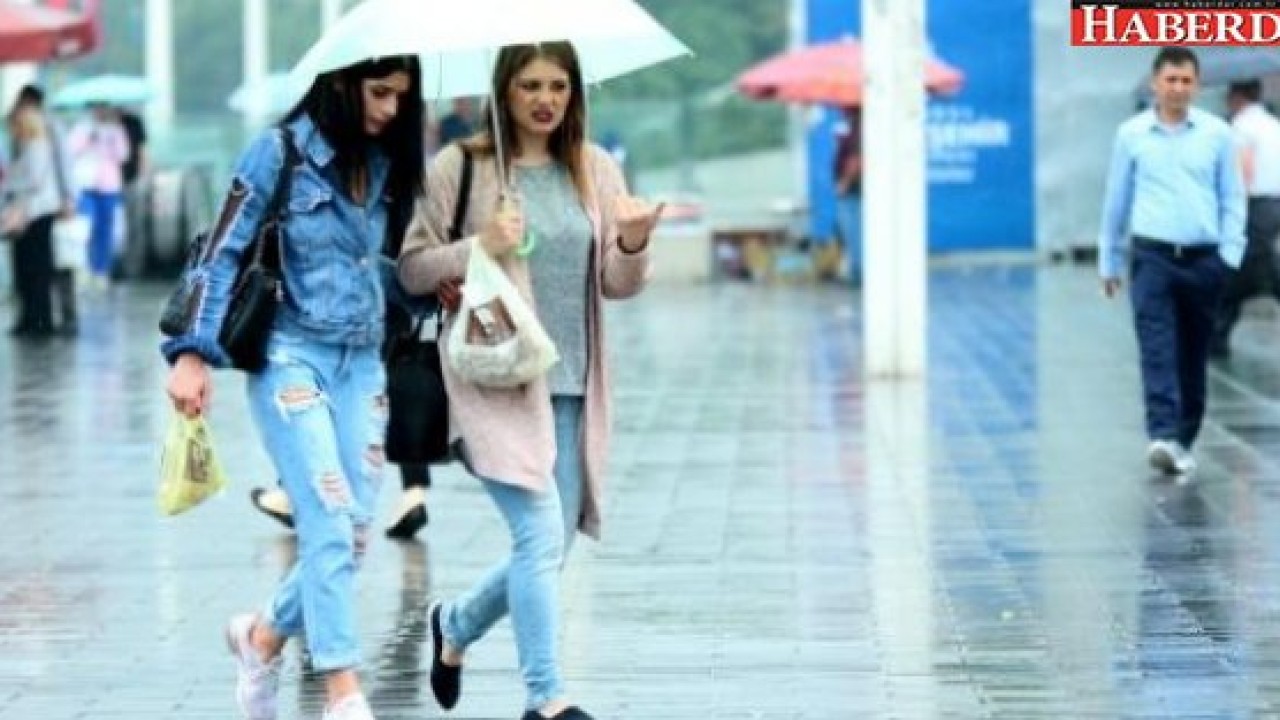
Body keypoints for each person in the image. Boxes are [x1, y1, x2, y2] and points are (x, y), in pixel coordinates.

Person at [398, 42, 662, 720]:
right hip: (492, 383)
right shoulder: (461, 166)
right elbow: (413, 268)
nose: (546, 100)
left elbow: (616, 284)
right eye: (530, 86)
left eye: (558, 86)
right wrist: (479, 246)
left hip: (571, 382)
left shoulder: (594, 169)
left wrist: (633, 241)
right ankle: (545, 699)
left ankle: (455, 624)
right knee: (540, 537)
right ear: (504, 90)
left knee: (549, 543)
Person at [162, 55, 425, 720]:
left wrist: (432, 285)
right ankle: (343, 691)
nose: (390, 109)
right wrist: (191, 353)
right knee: (328, 522)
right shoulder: (275, 154)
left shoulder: (387, 165)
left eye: (401, 96)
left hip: (362, 363)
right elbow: (220, 252)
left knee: (352, 535)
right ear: (341, 84)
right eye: (379, 92)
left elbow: (382, 273)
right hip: (289, 357)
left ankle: (261, 638)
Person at [1098, 46, 1245, 475]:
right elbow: (1116, 200)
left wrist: (1229, 256)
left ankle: (1183, 438)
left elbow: (1232, 197)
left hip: (1204, 260)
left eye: (1186, 81)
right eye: (1170, 80)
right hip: (1153, 258)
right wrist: (1109, 260)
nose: (1178, 88)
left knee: (1192, 354)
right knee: (1156, 346)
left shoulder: (1218, 134)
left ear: (1197, 85)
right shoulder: (1131, 135)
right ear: (1155, 83)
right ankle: (1161, 434)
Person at [1211, 79, 1280, 358]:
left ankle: (1216, 335)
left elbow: (1244, 168)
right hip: (1275, 202)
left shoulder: (1241, 126)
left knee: (1238, 271)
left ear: (1237, 96)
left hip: (1255, 205)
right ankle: (1216, 332)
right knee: (1257, 266)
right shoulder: (1273, 124)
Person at [10, 84, 78, 334]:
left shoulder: (47, 129)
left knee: (41, 265)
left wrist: (68, 197)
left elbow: (60, 165)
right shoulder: (24, 134)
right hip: (29, 208)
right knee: (30, 264)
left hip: (40, 208)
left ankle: (42, 317)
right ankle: (33, 317)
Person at [1, 106, 62, 338]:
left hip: (36, 215)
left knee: (36, 270)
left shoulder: (37, 146)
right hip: (27, 214)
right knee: (25, 269)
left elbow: (33, 180)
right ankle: (29, 317)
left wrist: (10, 184)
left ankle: (39, 319)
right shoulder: (25, 147)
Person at [68, 103, 128, 290]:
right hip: (86, 185)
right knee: (86, 227)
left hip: (108, 186)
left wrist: (110, 140)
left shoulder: (116, 129)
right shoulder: (82, 128)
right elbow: (70, 151)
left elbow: (123, 155)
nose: (101, 112)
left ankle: (101, 270)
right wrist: (89, 138)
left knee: (105, 229)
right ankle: (84, 268)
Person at [831, 106, 862, 283]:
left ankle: (858, 273)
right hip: (854, 189)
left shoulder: (858, 127)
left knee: (854, 233)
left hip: (853, 190)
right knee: (852, 232)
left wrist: (845, 182)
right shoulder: (853, 127)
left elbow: (856, 159)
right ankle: (857, 270)